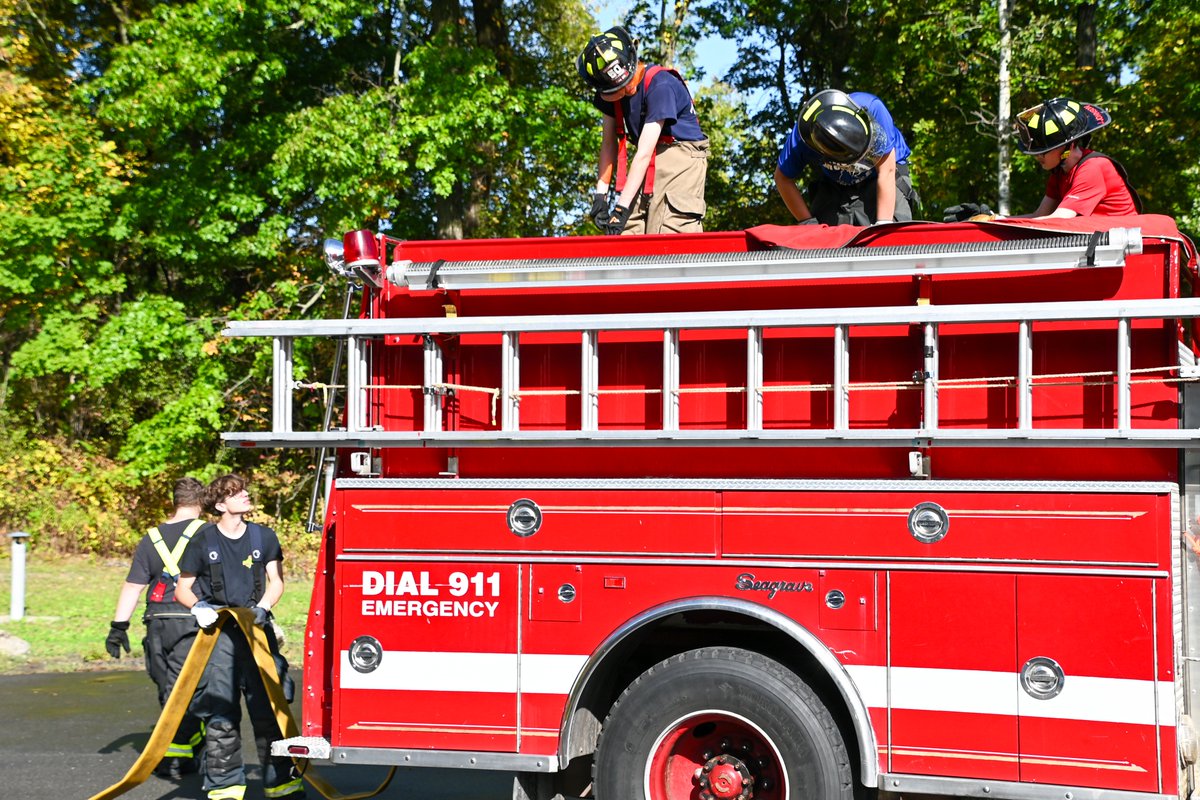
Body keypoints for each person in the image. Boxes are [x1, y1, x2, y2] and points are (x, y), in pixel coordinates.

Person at [176, 474, 304, 800]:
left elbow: (275, 581)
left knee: (269, 710)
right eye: (237, 493)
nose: (245, 495)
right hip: (218, 635)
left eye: (245, 490)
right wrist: (199, 607)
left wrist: (264, 605)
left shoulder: (264, 537)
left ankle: (283, 786)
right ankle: (225, 789)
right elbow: (183, 589)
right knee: (220, 713)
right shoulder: (203, 542)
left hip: (256, 629)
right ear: (220, 505)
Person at [105, 476, 207, 780]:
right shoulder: (210, 534)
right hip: (195, 618)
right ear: (202, 502)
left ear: (173, 501)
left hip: (158, 621)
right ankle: (186, 745)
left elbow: (133, 586)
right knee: (183, 687)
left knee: (168, 687)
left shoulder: (152, 538)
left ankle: (177, 751)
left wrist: (118, 626)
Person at [578, 25, 709, 235]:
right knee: (626, 230)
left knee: (667, 229)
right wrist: (600, 196)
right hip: (649, 158)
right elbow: (609, 143)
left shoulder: (661, 85)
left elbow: (644, 153)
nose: (624, 91)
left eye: (626, 85)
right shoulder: (611, 93)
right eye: (616, 90)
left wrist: (620, 208)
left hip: (681, 154)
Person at [774, 89, 920, 226]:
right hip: (836, 184)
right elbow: (782, 178)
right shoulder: (802, 139)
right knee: (827, 242)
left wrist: (883, 226)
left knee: (892, 238)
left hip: (884, 174)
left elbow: (886, 170)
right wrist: (807, 223)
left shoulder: (873, 108)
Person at [1012, 97, 1141, 219]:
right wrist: (998, 220)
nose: (1038, 156)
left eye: (1044, 151)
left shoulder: (1093, 168)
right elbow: (1039, 216)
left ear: (1069, 146)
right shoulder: (1060, 172)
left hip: (1122, 239)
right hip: (1097, 238)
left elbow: (1058, 220)